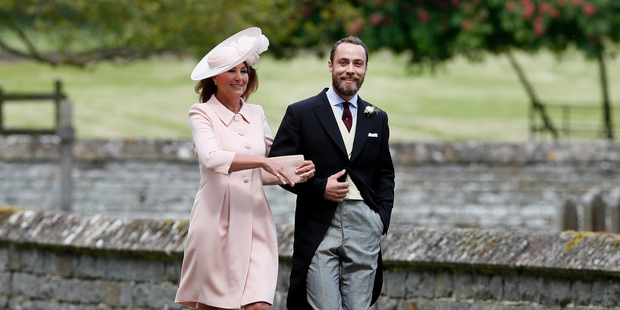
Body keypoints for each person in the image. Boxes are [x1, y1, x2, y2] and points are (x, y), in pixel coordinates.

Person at [174, 27, 315, 310]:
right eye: (231, 71)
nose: (239, 78)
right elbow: (212, 158)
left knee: (259, 305)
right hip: (216, 223)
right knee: (216, 306)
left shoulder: (257, 113)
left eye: (244, 70)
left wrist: (304, 169)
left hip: (256, 220)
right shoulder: (200, 112)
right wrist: (263, 161)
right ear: (214, 77)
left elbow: (269, 165)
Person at [269, 36, 395, 309]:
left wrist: (380, 218)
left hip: (365, 222)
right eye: (344, 62)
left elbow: (385, 172)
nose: (350, 69)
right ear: (330, 66)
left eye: (357, 63)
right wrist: (317, 187)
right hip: (318, 223)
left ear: (365, 69)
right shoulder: (301, 113)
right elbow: (276, 165)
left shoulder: (377, 117)